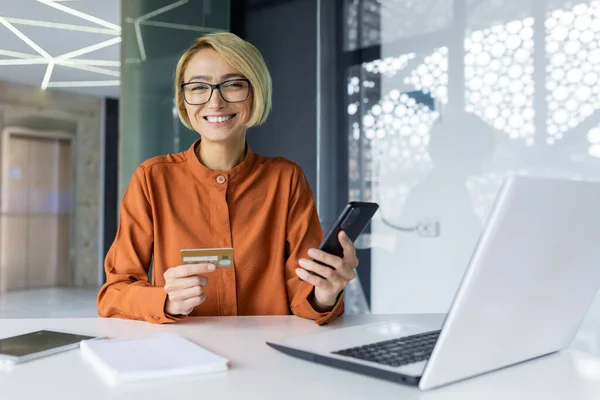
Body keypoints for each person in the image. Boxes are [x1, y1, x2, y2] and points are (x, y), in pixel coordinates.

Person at [97, 32, 358, 325]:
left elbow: (303, 293)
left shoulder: (286, 179)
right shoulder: (152, 179)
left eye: (233, 85)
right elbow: (113, 293)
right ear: (184, 100)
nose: (215, 101)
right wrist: (165, 300)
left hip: (268, 355)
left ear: (256, 92)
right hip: (183, 354)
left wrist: (325, 294)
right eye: (198, 87)